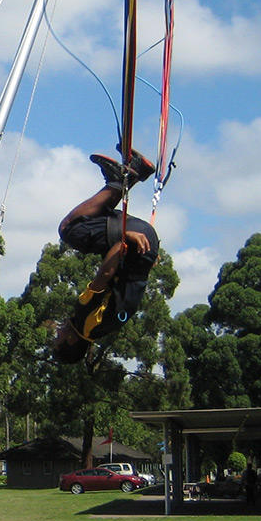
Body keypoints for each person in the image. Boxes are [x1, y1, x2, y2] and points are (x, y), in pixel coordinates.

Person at [47, 148, 159, 364]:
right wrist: (123, 240)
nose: (57, 333)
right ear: (70, 341)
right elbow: (104, 275)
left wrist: (147, 259)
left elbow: (131, 292)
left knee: (94, 219)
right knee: (69, 229)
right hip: (136, 242)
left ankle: (136, 170)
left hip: (145, 248)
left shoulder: (101, 329)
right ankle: (119, 181)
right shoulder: (85, 320)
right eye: (58, 339)